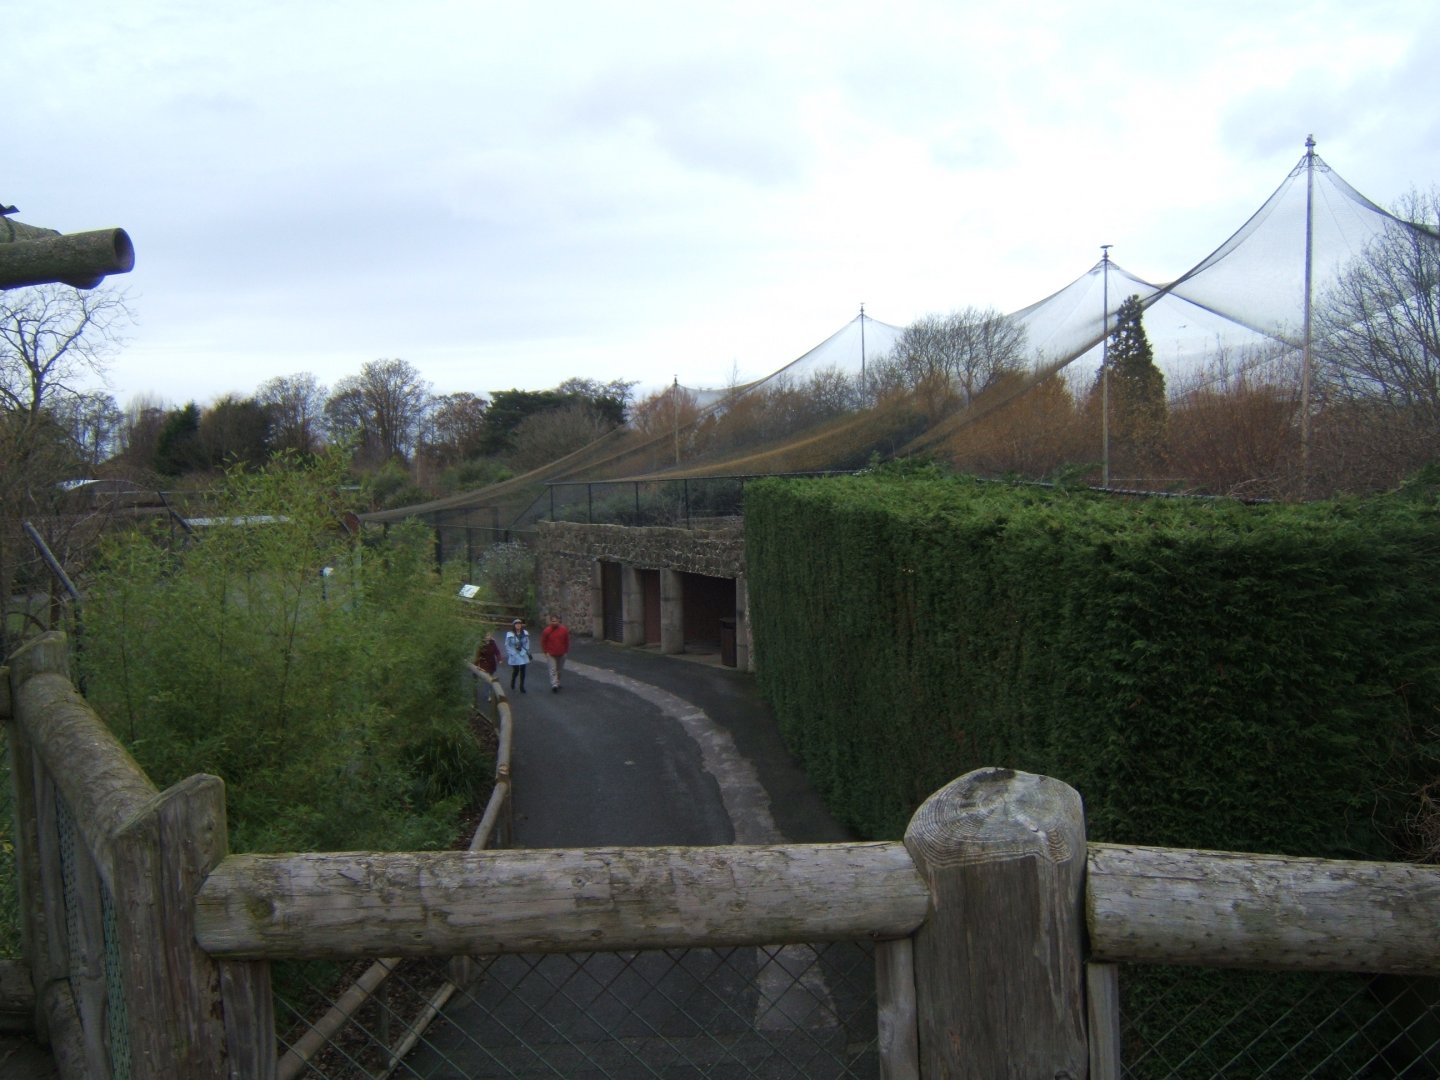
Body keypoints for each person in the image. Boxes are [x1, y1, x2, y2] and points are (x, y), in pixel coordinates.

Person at [541, 613, 571, 692]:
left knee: (559, 670)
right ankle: (554, 684)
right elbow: (543, 642)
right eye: (553, 621)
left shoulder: (564, 630)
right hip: (551, 653)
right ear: (550, 621)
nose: (554, 623)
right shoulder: (546, 631)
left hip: (561, 653)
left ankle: (557, 682)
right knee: (553, 669)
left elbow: (567, 641)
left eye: (555, 621)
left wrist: (566, 651)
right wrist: (545, 652)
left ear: (559, 621)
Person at [504, 618, 531, 693]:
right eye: (516, 624)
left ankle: (522, 686)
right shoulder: (510, 634)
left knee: (523, 669)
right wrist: (512, 653)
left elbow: (527, 643)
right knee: (516, 670)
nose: (518, 625)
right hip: (514, 653)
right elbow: (507, 645)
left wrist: (525, 651)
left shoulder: (525, 633)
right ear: (514, 625)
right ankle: (513, 680)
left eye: (519, 624)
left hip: (522, 653)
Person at [473, 634, 501, 702]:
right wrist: (475, 665)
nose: (488, 636)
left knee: (490, 678)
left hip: (492, 663)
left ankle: (490, 693)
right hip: (484, 664)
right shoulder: (480, 644)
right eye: (486, 635)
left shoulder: (493, 642)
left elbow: (497, 651)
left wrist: (499, 659)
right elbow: (477, 655)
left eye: (489, 635)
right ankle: (488, 695)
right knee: (487, 680)